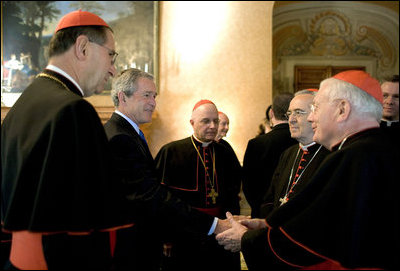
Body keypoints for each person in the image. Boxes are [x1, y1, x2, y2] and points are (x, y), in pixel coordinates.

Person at [216, 70, 399, 269]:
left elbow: (310, 242)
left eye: (316, 107)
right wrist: (265, 225)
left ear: (342, 109)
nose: (312, 117)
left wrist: (247, 239)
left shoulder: (353, 156)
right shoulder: (372, 149)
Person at [1, 10, 135, 270]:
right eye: (110, 55)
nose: (113, 68)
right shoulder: (73, 110)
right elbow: (88, 222)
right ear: (83, 47)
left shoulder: (23, 104)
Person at [103, 71, 232, 271]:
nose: (153, 102)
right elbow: (151, 196)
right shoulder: (121, 138)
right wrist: (214, 224)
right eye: (146, 95)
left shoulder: (127, 133)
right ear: (122, 96)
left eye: (154, 96)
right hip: (131, 246)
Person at [154, 100, 242, 271]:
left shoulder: (225, 152)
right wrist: (166, 237)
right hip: (184, 235)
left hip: (222, 234)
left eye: (215, 121)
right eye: (205, 121)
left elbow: (233, 197)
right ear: (192, 123)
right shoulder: (171, 152)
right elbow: (162, 202)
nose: (212, 126)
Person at [259, 89, 330, 218]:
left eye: (298, 113)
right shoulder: (288, 154)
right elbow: (270, 198)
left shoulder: (330, 156)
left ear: (315, 116)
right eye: (289, 113)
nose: (291, 120)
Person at [242, 93, 297, 218]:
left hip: (262, 213)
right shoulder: (300, 140)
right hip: (293, 214)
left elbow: (248, 184)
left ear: (271, 113)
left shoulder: (256, 143)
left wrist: (259, 208)